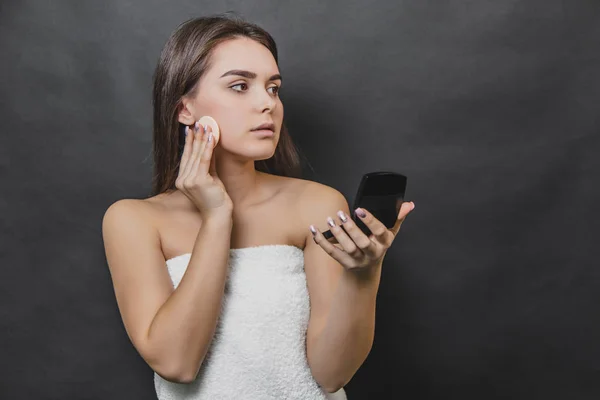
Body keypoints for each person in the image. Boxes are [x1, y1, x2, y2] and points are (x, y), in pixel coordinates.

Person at [101, 13, 414, 400]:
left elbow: (331, 375)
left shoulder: (315, 204)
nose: (266, 103)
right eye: (239, 86)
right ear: (185, 109)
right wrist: (217, 216)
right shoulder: (133, 220)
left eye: (273, 87)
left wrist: (365, 275)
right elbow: (176, 363)